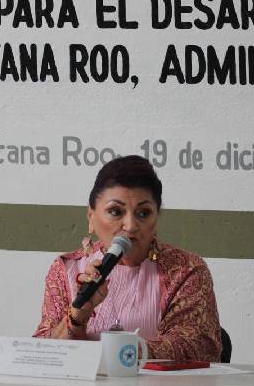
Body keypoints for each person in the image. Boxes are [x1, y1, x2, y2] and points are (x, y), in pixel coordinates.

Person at [34, 155, 222, 361]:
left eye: (143, 213)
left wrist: (125, 354)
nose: (131, 226)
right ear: (91, 217)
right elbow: (43, 352)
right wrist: (77, 317)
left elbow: (199, 345)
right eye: (115, 211)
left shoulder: (186, 270)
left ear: (156, 218)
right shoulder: (67, 269)